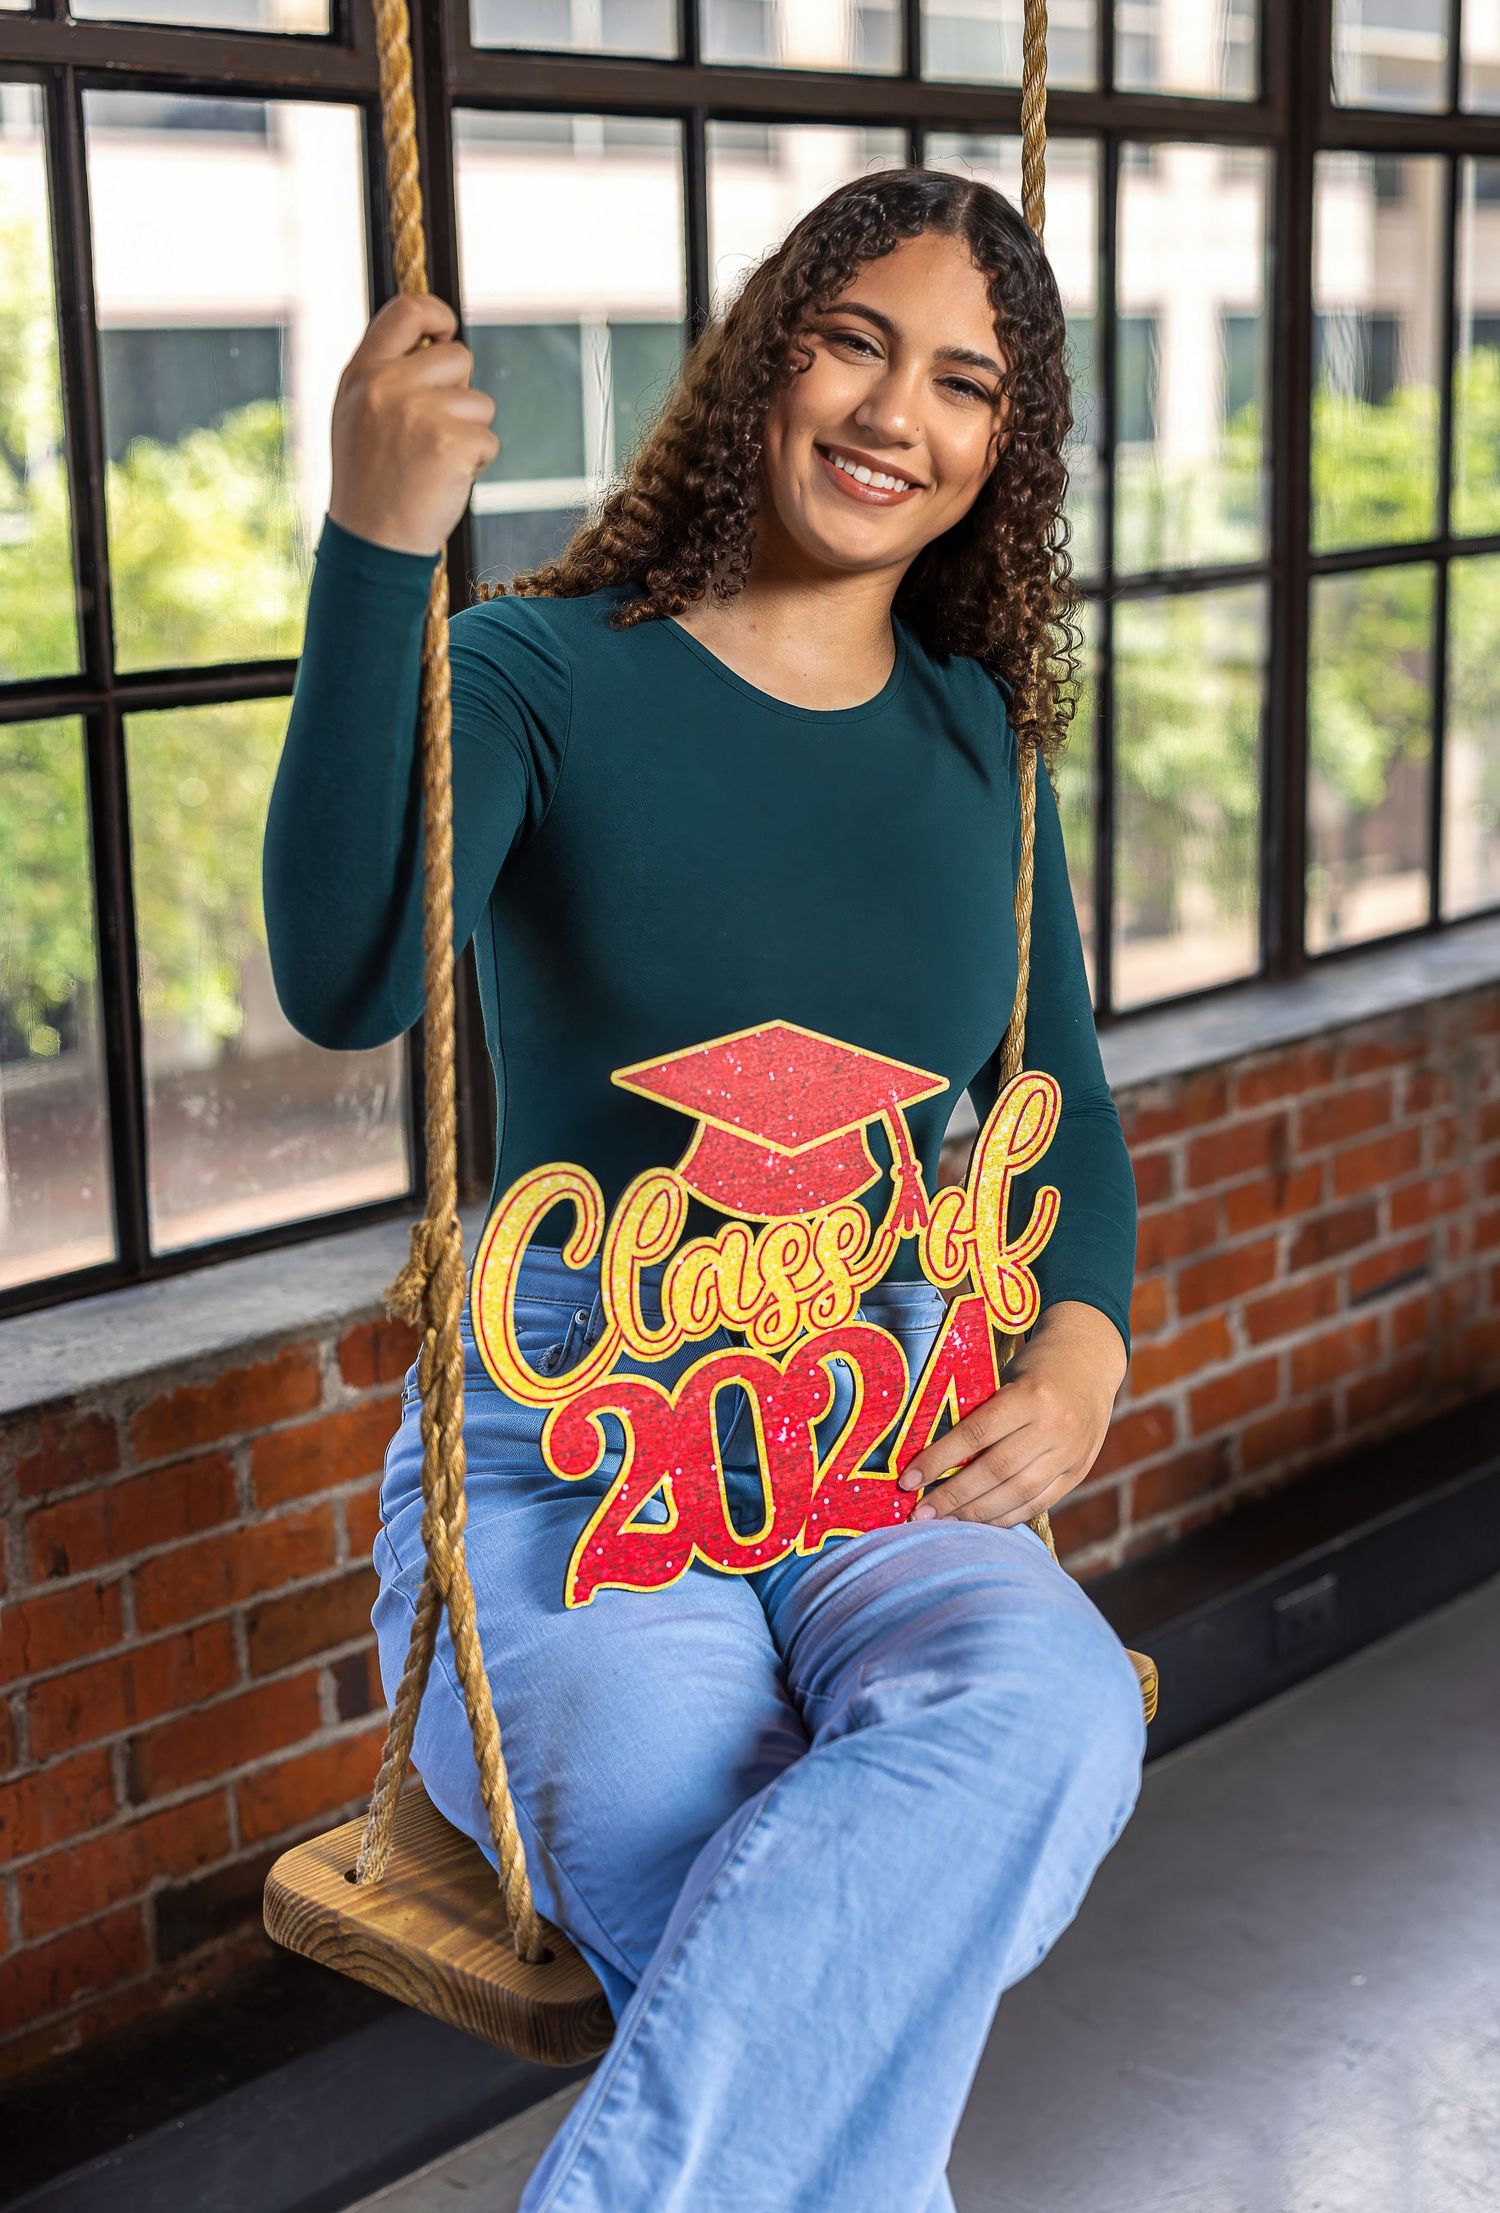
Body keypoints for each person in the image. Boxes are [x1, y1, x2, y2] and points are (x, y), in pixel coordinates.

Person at [262, 164, 1147, 2213]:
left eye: (963, 383)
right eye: (855, 339)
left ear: (1000, 453)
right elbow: (350, 974)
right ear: (768, 358)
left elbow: (1062, 1103)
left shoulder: (979, 747)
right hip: (577, 1444)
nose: (892, 413)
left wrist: (1082, 1357)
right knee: (720, 1820)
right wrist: (375, 546)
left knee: (1050, 1715)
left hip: (870, 1433)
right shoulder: (545, 674)